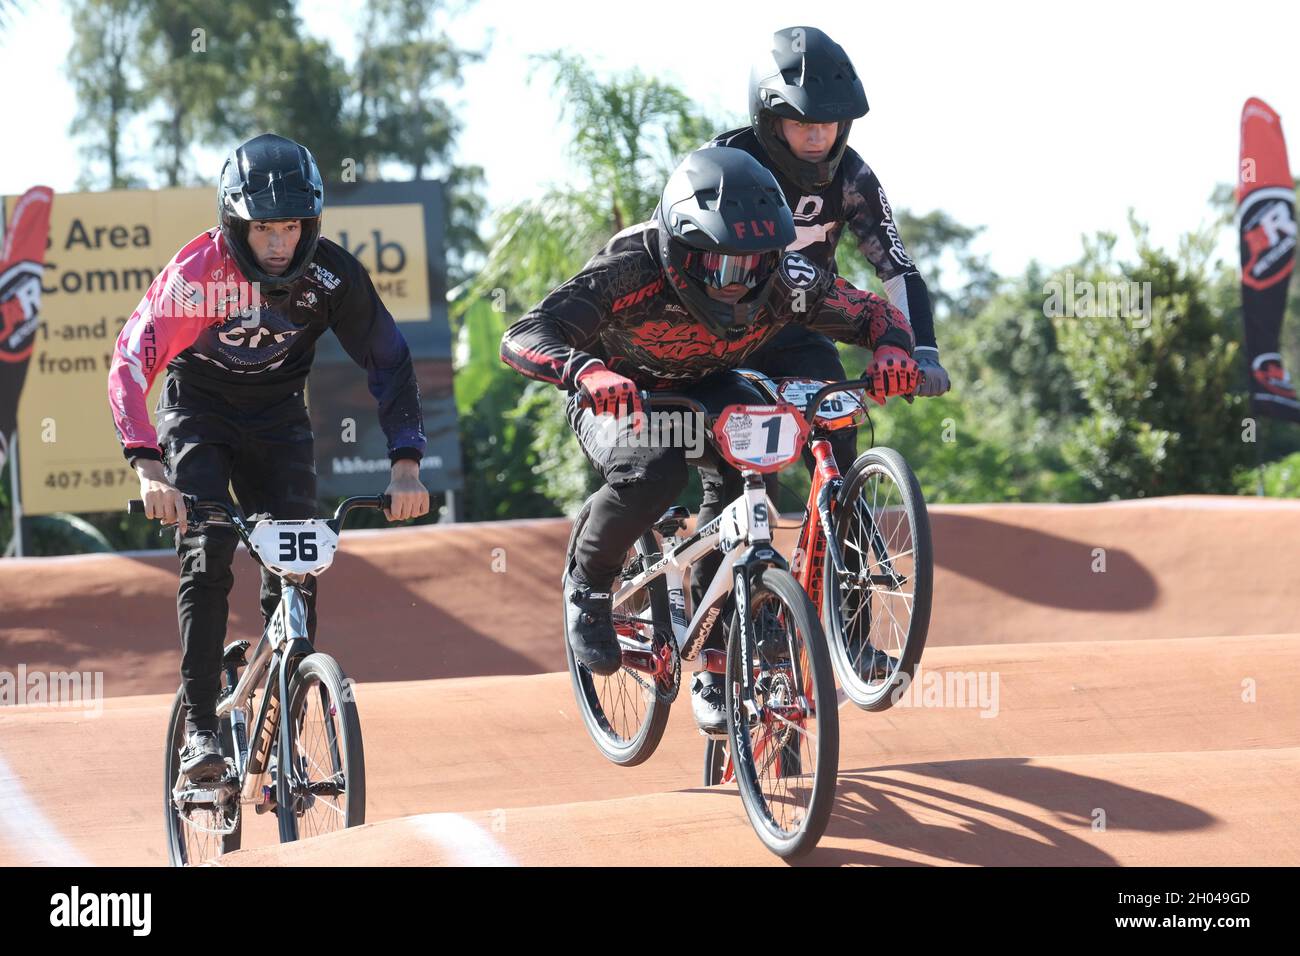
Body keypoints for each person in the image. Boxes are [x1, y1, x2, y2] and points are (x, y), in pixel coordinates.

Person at [500, 146, 918, 732]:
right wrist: (585, 370)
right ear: (679, 247)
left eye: (753, 265)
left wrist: (894, 351)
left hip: (713, 385)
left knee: (757, 457)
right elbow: (524, 333)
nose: (737, 283)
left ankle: (718, 659)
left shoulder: (785, 279)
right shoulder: (629, 267)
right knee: (655, 472)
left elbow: (873, 312)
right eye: (720, 266)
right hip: (621, 393)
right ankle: (588, 583)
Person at [107, 133, 430, 784]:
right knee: (208, 548)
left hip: (279, 414)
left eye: (291, 227)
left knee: (297, 560)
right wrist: (147, 466)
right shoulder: (196, 276)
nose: (279, 244)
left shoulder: (330, 276)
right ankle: (201, 730)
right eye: (264, 230)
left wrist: (405, 462)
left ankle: (286, 713)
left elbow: (389, 360)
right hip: (197, 407)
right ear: (234, 222)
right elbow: (130, 360)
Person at [701, 25, 947, 499]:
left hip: (802, 331)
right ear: (770, 121)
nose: (817, 136)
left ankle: (847, 566)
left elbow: (896, 267)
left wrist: (923, 352)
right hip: (724, 336)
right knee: (741, 479)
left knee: (840, 441)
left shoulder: (853, 176)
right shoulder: (722, 162)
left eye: (828, 123)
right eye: (801, 122)